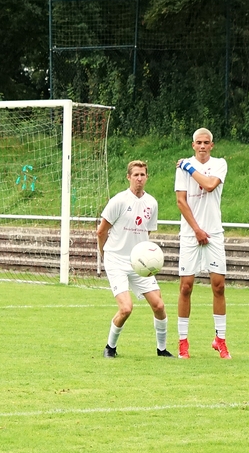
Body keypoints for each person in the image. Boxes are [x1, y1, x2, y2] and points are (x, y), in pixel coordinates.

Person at [96, 160, 173, 358]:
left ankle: (162, 350)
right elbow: (101, 231)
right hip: (116, 260)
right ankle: (110, 348)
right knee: (126, 308)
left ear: (147, 177)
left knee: (159, 305)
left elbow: (147, 232)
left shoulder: (152, 203)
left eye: (142, 175)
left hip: (139, 263)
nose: (139, 178)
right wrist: (104, 255)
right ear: (128, 177)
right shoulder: (119, 201)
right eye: (136, 175)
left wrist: (145, 256)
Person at [174, 128, 231, 360]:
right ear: (193, 145)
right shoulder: (182, 168)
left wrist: (189, 168)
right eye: (198, 142)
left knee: (219, 286)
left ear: (212, 145)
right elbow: (181, 201)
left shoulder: (219, 164)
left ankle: (220, 340)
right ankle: (183, 342)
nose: (202, 146)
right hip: (191, 235)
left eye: (206, 142)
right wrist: (196, 229)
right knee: (186, 287)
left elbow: (209, 185)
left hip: (214, 233)